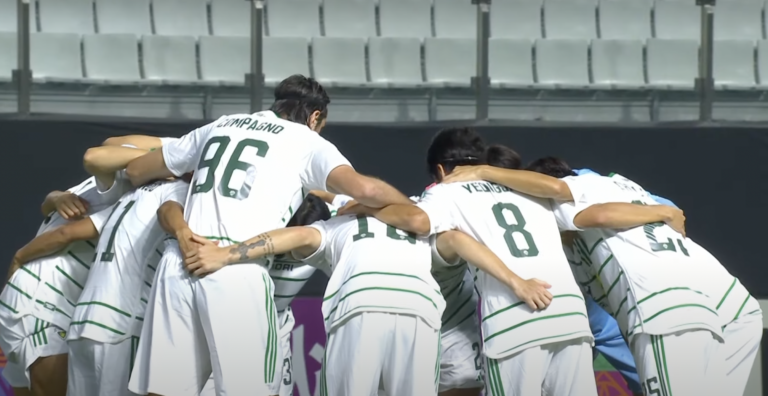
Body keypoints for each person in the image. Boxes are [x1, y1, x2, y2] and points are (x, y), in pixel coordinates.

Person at [124, 74, 413, 396]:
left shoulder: (222, 124)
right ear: (315, 116)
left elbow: (136, 170)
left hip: (180, 260)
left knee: (165, 389)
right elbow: (367, 189)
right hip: (235, 267)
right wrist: (415, 209)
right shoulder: (307, 141)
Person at [183, 190, 545, 396]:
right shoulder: (419, 229)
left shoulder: (332, 226)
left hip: (360, 306)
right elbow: (460, 241)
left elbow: (291, 236)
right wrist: (517, 282)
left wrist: (225, 254)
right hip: (419, 312)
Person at [339, 128, 597, 396]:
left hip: (516, 317)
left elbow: (417, 220)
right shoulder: (524, 185)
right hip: (571, 315)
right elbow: (568, 197)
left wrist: (370, 207)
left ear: (440, 170)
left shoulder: (447, 191)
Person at [442, 157, 726, 395]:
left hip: (655, 312)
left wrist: (661, 210)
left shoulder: (587, 187)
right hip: (595, 320)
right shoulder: (554, 231)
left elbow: (593, 207)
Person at [0, 144, 145, 396]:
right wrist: (19, 256)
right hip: (43, 302)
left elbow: (49, 206)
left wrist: (56, 198)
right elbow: (65, 231)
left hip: (30, 297)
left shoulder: (111, 189)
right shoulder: (124, 194)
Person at [66, 175, 189, 396]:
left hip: (83, 320)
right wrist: (184, 233)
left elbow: (64, 233)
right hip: (121, 323)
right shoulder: (181, 190)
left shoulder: (130, 194)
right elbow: (169, 210)